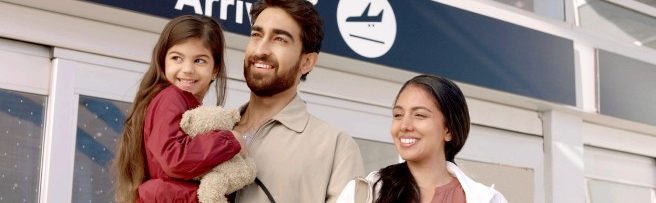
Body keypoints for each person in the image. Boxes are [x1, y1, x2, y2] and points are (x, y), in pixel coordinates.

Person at [233, 0, 364, 202]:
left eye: (280, 39)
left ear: (307, 62)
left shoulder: (337, 147)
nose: (261, 49)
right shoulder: (217, 127)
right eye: (256, 35)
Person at [113, 15, 243, 203]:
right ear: (163, 60)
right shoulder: (171, 97)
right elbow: (174, 159)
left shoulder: (187, 106)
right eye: (177, 58)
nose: (187, 69)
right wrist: (230, 142)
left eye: (199, 60)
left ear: (215, 69)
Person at [336, 75, 507, 203]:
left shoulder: (487, 200)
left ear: (449, 130)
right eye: (398, 115)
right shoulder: (365, 193)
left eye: (419, 115)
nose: (404, 125)